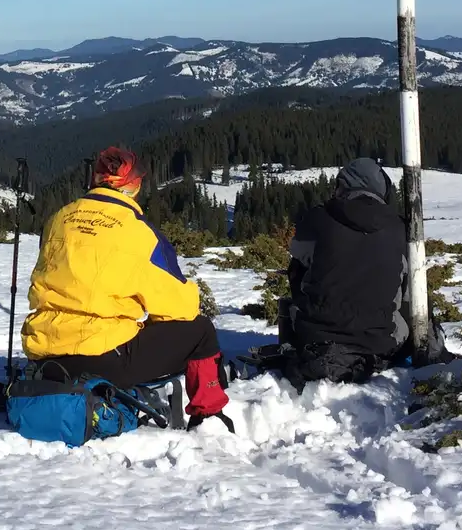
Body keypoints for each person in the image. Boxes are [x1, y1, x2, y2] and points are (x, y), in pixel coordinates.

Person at [21, 146, 229, 421]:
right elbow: (182, 308)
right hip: (103, 358)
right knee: (200, 331)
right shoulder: (138, 232)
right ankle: (208, 414)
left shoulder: (59, 219)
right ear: (133, 185)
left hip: (45, 354)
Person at [278, 157, 408, 385]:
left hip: (318, 336)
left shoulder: (319, 217)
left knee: (299, 270)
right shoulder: (401, 227)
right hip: (383, 340)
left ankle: (304, 333)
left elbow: (298, 253)